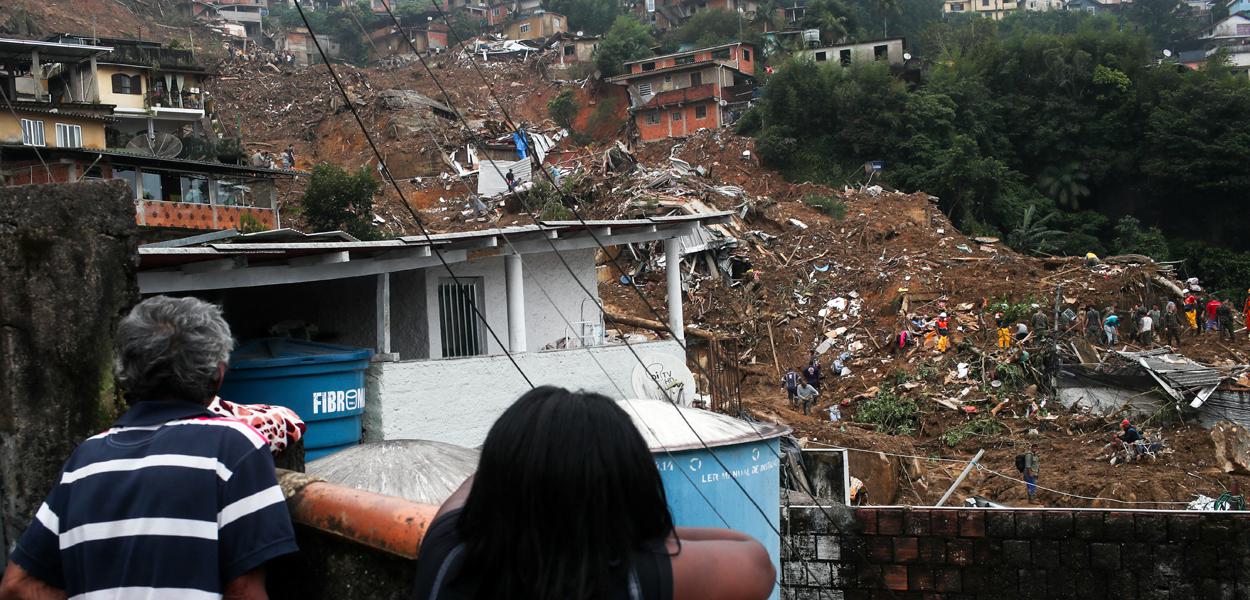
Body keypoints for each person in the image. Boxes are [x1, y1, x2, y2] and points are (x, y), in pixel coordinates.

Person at [0, 296, 298, 600]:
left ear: (126, 371)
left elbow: (16, 585)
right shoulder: (234, 447)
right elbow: (244, 591)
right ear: (218, 374)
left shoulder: (85, 459)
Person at [411, 386, 776, 600]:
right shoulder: (627, 581)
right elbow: (756, 561)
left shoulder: (447, 554)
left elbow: (480, 484)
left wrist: (534, 443)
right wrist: (637, 532)